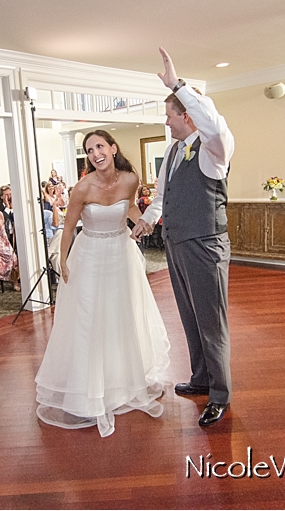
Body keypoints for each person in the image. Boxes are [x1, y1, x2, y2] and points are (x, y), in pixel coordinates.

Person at [34, 129, 170, 438]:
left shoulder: (130, 180)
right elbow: (68, 227)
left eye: (99, 146)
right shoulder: (82, 187)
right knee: (89, 320)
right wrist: (63, 260)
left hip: (121, 255)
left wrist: (143, 221)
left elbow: (129, 207)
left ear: (112, 147)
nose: (95, 152)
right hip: (90, 256)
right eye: (89, 149)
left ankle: (122, 381)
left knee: (121, 317)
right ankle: (88, 390)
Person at [132, 48, 236, 427]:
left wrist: (178, 85)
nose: (167, 123)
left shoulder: (214, 150)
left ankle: (220, 394)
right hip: (176, 243)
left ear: (186, 115)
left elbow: (213, 124)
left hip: (206, 245)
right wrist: (146, 221)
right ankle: (201, 378)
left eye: (169, 116)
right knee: (190, 316)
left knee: (212, 320)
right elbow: (162, 196)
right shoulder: (174, 152)